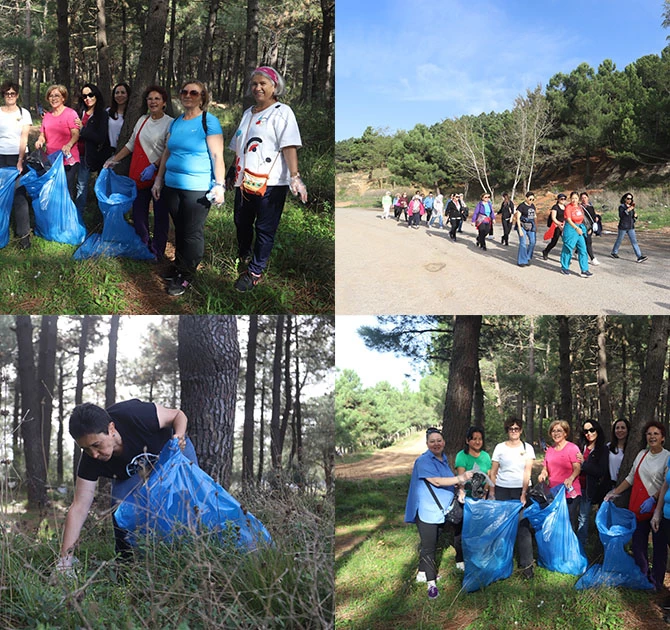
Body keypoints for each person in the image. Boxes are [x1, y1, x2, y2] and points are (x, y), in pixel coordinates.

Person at [56, 400, 197, 569]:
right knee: (120, 510)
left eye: (96, 445)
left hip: (172, 449)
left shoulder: (135, 415)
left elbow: (177, 414)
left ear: (111, 429)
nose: (93, 454)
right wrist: (64, 562)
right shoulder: (91, 461)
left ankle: (194, 552)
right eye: (85, 449)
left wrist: (179, 436)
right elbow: (78, 507)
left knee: (188, 498)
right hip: (132, 471)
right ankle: (126, 564)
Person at [228, 66, 306, 292]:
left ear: (274, 86)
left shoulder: (282, 112)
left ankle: (255, 271)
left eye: (263, 83)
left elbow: (289, 145)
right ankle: (244, 254)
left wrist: (295, 176)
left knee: (264, 228)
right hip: (244, 179)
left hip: (270, 183)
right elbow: (239, 145)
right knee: (241, 221)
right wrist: (232, 170)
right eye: (254, 84)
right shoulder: (247, 113)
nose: (258, 88)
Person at [152, 80, 225, 296]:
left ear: (202, 97)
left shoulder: (208, 121)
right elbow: (167, 152)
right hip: (172, 185)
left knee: (192, 232)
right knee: (181, 229)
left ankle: (186, 276)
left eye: (194, 93)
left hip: (198, 188)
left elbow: (217, 155)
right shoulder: (176, 122)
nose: (188, 95)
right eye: (184, 92)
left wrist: (219, 185)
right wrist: (159, 179)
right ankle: (180, 265)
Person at [105, 86, 173, 259]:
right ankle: (143, 245)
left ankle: (157, 250)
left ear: (164, 102)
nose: (153, 102)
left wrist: (155, 166)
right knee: (139, 212)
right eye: (150, 99)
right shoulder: (142, 119)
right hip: (139, 173)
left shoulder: (170, 123)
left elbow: (169, 149)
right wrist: (114, 159)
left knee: (160, 215)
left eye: (157, 99)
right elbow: (130, 144)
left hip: (159, 175)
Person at [404, 427, 473, 599]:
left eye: (439, 440)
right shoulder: (423, 461)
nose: (436, 444)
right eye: (432, 441)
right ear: (427, 444)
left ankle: (421, 573)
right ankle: (431, 585)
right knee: (429, 548)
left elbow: (446, 480)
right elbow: (435, 481)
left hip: (442, 511)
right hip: (427, 511)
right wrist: (460, 478)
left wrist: (457, 488)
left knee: (433, 542)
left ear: (443, 442)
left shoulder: (442, 459)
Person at [605, 420, 670, 590]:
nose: (652, 436)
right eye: (649, 434)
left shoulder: (667, 457)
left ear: (663, 438)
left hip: (658, 509)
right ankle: (643, 576)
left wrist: (654, 499)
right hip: (639, 507)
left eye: (656, 433)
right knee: (638, 545)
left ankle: (656, 582)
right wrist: (615, 492)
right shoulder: (642, 454)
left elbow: (666, 484)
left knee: (659, 547)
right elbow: (631, 477)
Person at [488, 417, 536, 578]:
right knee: (502, 526)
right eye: (510, 428)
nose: (514, 431)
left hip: (520, 490)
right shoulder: (500, 448)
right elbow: (493, 472)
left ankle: (527, 565)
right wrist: (492, 493)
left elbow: (527, 471)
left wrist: (523, 493)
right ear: (507, 431)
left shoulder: (527, 448)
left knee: (523, 527)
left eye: (516, 428)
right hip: (502, 490)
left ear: (521, 430)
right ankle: (501, 563)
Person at [453, 426, 492, 571]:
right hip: (466, 498)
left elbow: (489, 477)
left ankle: (476, 555)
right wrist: (462, 491)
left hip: (481, 498)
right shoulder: (461, 456)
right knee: (462, 528)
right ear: (467, 441)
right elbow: (461, 477)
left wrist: (487, 492)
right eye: (474, 439)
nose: (477, 441)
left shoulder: (486, 456)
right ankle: (460, 558)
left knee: (479, 528)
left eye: (480, 439)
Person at [0, 81, 33, 249]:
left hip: (17, 158)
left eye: (13, 93)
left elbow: (24, 137)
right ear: (3, 95)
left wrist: (20, 160)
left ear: (17, 95)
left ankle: (24, 237)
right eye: (7, 93)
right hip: (0, 157)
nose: (10, 96)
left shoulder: (24, 113)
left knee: (19, 196)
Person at [34, 84, 80, 200]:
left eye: (57, 95)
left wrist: (69, 145)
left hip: (68, 159)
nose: (53, 98)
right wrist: (40, 141)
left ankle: (67, 216)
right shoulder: (47, 116)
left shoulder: (70, 113)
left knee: (66, 190)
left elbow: (76, 134)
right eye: (51, 96)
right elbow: (43, 135)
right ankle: (54, 216)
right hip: (51, 160)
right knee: (52, 191)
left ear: (63, 98)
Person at [538, 420, 582, 531]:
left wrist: (571, 478)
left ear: (565, 433)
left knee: (568, 524)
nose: (556, 433)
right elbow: (546, 468)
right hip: (554, 493)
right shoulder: (550, 450)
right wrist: (543, 474)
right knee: (555, 524)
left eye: (559, 430)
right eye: (553, 431)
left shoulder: (572, 448)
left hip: (570, 492)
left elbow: (577, 468)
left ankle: (569, 547)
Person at [75, 83, 111, 214]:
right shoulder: (79, 112)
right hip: (73, 154)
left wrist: (83, 130)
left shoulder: (102, 115)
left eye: (91, 95)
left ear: (96, 95)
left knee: (82, 185)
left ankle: (81, 214)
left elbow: (100, 137)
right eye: (84, 96)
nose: (87, 98)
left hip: (87, 155)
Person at [577, 420, 610, 548]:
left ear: (597, 430)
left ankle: (582, 546)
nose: (588, 434)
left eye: (591, 430)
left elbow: (600, 471)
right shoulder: (580, 446)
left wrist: (584, 464)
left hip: (589, 488)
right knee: (573, 516)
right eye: (586, 431)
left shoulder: (603, 449)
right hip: (575, 487)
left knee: (583, 518)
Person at [560, 191, 592, 277]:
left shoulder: (580, 207)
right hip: (571, 228)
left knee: (583, 249)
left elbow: (583, 218)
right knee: (568, 248)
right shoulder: (568, 207)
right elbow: (569, 220)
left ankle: (584, 269)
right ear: (570, 199)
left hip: (579, 229)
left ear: (578, 199)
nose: (574, 200)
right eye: (573, 198)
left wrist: (586, 228)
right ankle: (564, 267)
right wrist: (576, 228)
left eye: (576, 198)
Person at [610, 193, 648, 263]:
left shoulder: (631, 207)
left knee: (634, 242)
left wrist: (635, 216)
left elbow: (632, 216)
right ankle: (614, 252)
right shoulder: (621, 207)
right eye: (628, 198)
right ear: (625, 199)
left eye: (630, 199)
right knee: (619, 240)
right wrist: (629, 209)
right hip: (623, 227)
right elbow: (621, 216)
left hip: (631, 227)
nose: (629, 200)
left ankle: (639, 256)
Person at [513, 191, 537, 266]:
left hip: (531, 226)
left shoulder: (533, 206)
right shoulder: (521, 206)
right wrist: (519, 229)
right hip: (522, 225)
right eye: (530, 199)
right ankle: (522, 261)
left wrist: (536, 226)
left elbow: (534, 217)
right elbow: (517, 218)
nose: (531, 201)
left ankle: (528, 257)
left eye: (533, 199)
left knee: (532, 242)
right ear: (526, 198)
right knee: (523, 243)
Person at [541, 193, 566, 260]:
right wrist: (559, 224)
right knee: (554, 242)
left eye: (564, 199)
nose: (563, 200)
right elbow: (553, 218)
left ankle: (565, 258)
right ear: (558, 199)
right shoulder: (555, 207)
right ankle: (545, 251)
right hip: (556, 226)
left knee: (566, 242)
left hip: (564, 226)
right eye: (561, 199)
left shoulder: (566, 207)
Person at [107, 82, 131, 151]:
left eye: (123, 92)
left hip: (125, 150)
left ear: (128, 95)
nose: (119, 95)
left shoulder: (131, 115)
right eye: (117, 93)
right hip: (109, 150)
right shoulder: (107, 112)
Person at [579, 192, 600, 266]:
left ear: (588, 198)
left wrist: (596, 218)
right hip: (585, 227)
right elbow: (583, 219)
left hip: (591, 226)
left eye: (585, 197)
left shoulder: (590, 206)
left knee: (584, 242)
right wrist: (588, 228)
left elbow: (593, 215)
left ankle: (576, 252)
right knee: (588, 242)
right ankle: (592, 258)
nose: (584, 199)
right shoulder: (580, 207)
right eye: (582, 198)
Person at [608, 418, 630, 487]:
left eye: (623, 428)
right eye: (617, 428)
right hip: (610, 484)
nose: (620, 430)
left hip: (626, 485)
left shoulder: (631, 449)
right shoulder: (608, 447)